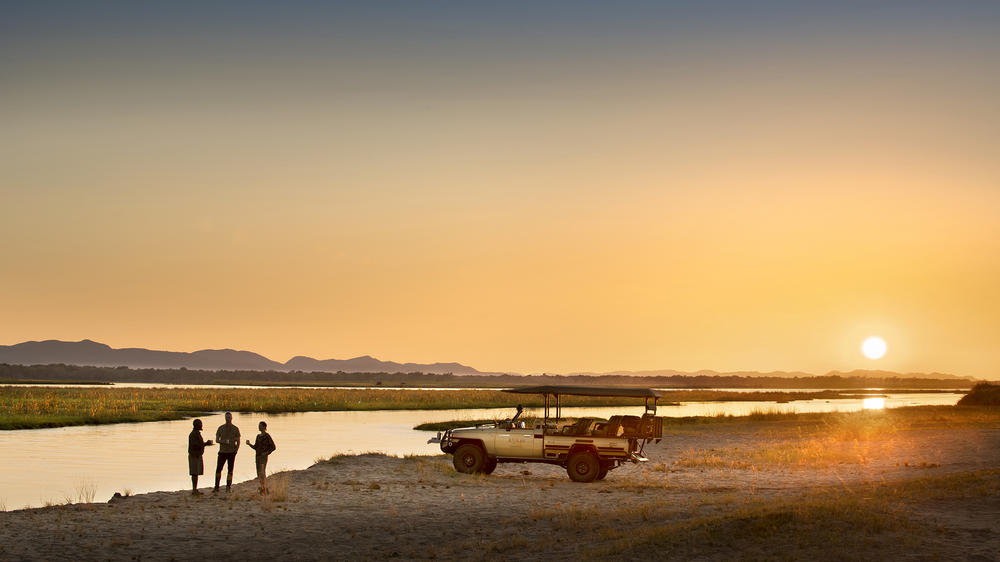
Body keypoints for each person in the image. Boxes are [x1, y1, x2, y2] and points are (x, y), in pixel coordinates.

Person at [246, 421, 277, 494]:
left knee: (262, 472)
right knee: (258, 473)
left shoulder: (267, 436)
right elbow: (255, 447)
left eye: (260, 426)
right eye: (258, 426)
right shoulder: (258, 436)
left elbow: (273, 447)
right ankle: (262, 487)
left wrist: (267, 453)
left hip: (263, 457)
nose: (259, 427)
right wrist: (249, 444)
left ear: (264, 427)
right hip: (257, 457)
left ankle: (265, 488)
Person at [214, 412, 240, 492]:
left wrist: (236, 450)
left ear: (231, 418)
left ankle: (228, 487)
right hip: (222, 452)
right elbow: (217, 440)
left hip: (232, 452)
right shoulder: (221, 428)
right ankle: (216, 487)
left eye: (229, 417)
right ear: (225, 418)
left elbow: (238, 441)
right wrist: (224, 441)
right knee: (218, 469)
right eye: (226, 417)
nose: (228, 419)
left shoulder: (235, 429)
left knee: (230, 470)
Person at [188, 419, 214, 495]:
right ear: (196, 425)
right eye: (200, 424)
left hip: (197, 455)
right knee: (194, 473)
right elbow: (195, 445)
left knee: (196, 473)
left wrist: (205, 444)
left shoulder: (196, 433)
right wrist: (206, 444)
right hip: (194, 456)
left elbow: (198, 444)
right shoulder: (193, 434)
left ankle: (195, 489)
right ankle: (194, 490)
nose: (201, 425)